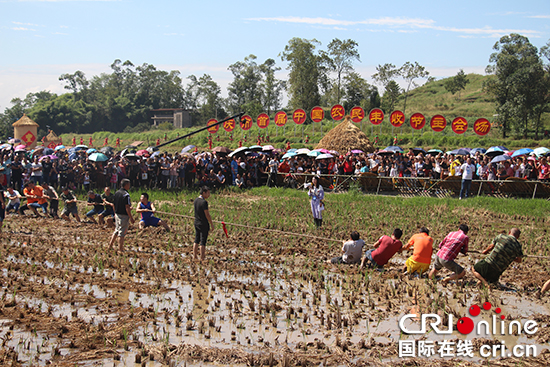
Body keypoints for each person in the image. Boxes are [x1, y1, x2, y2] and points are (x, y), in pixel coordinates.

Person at [108, 179, 135, 252]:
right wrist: (131, 217)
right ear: (126, 185)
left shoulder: (116, 193)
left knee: (116, 230)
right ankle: (120, 249)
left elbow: (113, 204)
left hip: (117, 214)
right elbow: (127, 207)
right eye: (129, 184)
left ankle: (110, 245)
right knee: (122, 233)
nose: (129, 186)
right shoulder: (126, 195)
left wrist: (115, 213)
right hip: (124, 215)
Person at [193, 186, 214, 261]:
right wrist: (211, 223)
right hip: (203, 223)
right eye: (208, 193)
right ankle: (202, 258)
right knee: (203, 241)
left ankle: (194, 256)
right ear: (204, 193)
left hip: (196, 222)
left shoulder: (196, 200)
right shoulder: (204, 202)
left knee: (196, 240)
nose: (209, 195)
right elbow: (207, 214)